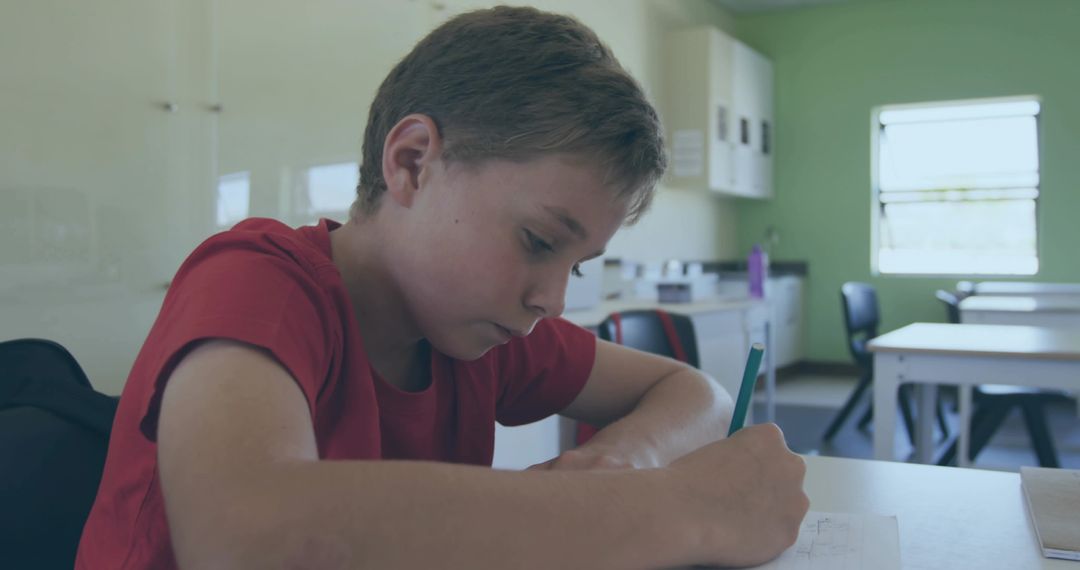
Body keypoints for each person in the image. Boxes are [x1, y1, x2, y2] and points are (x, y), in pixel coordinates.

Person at [76, 6, 807, 569]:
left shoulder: (469, 330)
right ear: (414, 162)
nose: (552, 298)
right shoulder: (257, 279)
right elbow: (243, 535)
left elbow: (695, 395)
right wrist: (674, 508)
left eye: (576, 265)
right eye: (538, 242)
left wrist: (626, 463)